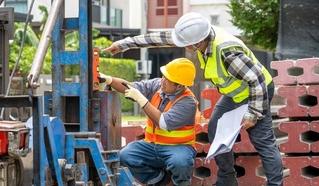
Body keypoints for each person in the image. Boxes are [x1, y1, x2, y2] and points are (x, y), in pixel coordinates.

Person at [102, 12, 283, 186]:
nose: (183, 46)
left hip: (257, 93)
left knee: (263, 141)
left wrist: (254, 114)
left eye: (186, 44)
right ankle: (227, 179)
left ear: (197, 42)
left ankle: (275, 184)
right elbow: (160, 38)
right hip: (234, 94)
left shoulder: (227, 51)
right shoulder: (198, 33)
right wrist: (125, 44)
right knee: (215, 128)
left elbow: (257, 79)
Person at [99, 58, 200, 186]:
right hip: (151, 145)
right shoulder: (157, 86)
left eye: (167, 79)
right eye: (163, 76)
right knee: (125, 156)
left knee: (180, 163)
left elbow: (162, 122)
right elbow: (131, 86)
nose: (163, 80)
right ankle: (159, 180)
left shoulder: (188, 102)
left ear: (179, 85)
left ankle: (181, 183)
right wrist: (109, 80)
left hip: (179, 147)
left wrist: (141, 100)